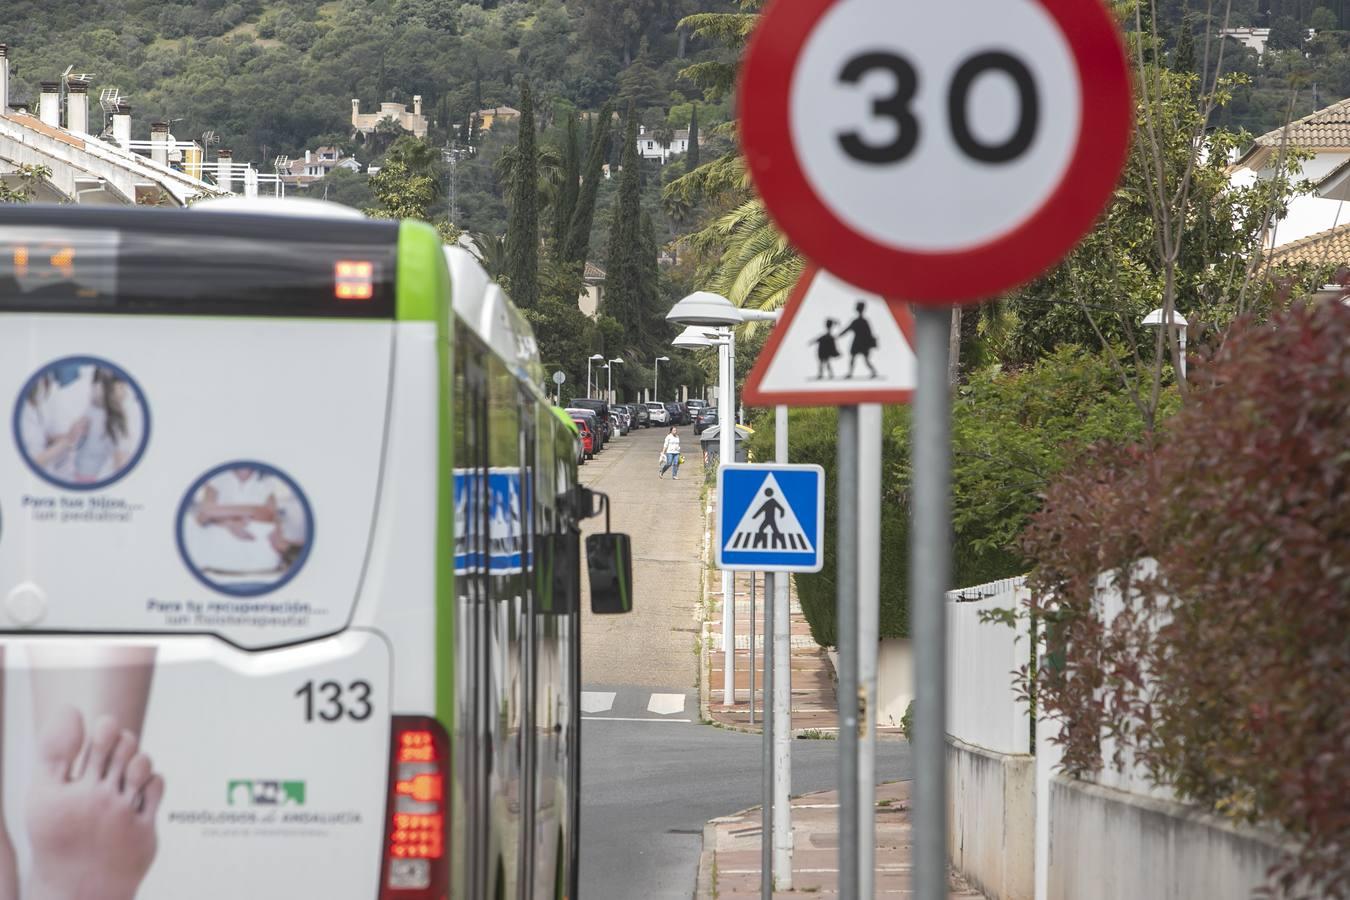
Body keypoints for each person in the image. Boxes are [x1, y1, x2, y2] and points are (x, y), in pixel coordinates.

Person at [839, 301, 879, 379]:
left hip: (860, 342)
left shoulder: (859, 321)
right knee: (857, 358)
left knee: (860, 359)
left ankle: (872, 372)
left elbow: (848, 329)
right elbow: (848, 329)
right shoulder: (862, 321)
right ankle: (851, 373)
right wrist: (840, 335)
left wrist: (839, 335)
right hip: (860, 342)